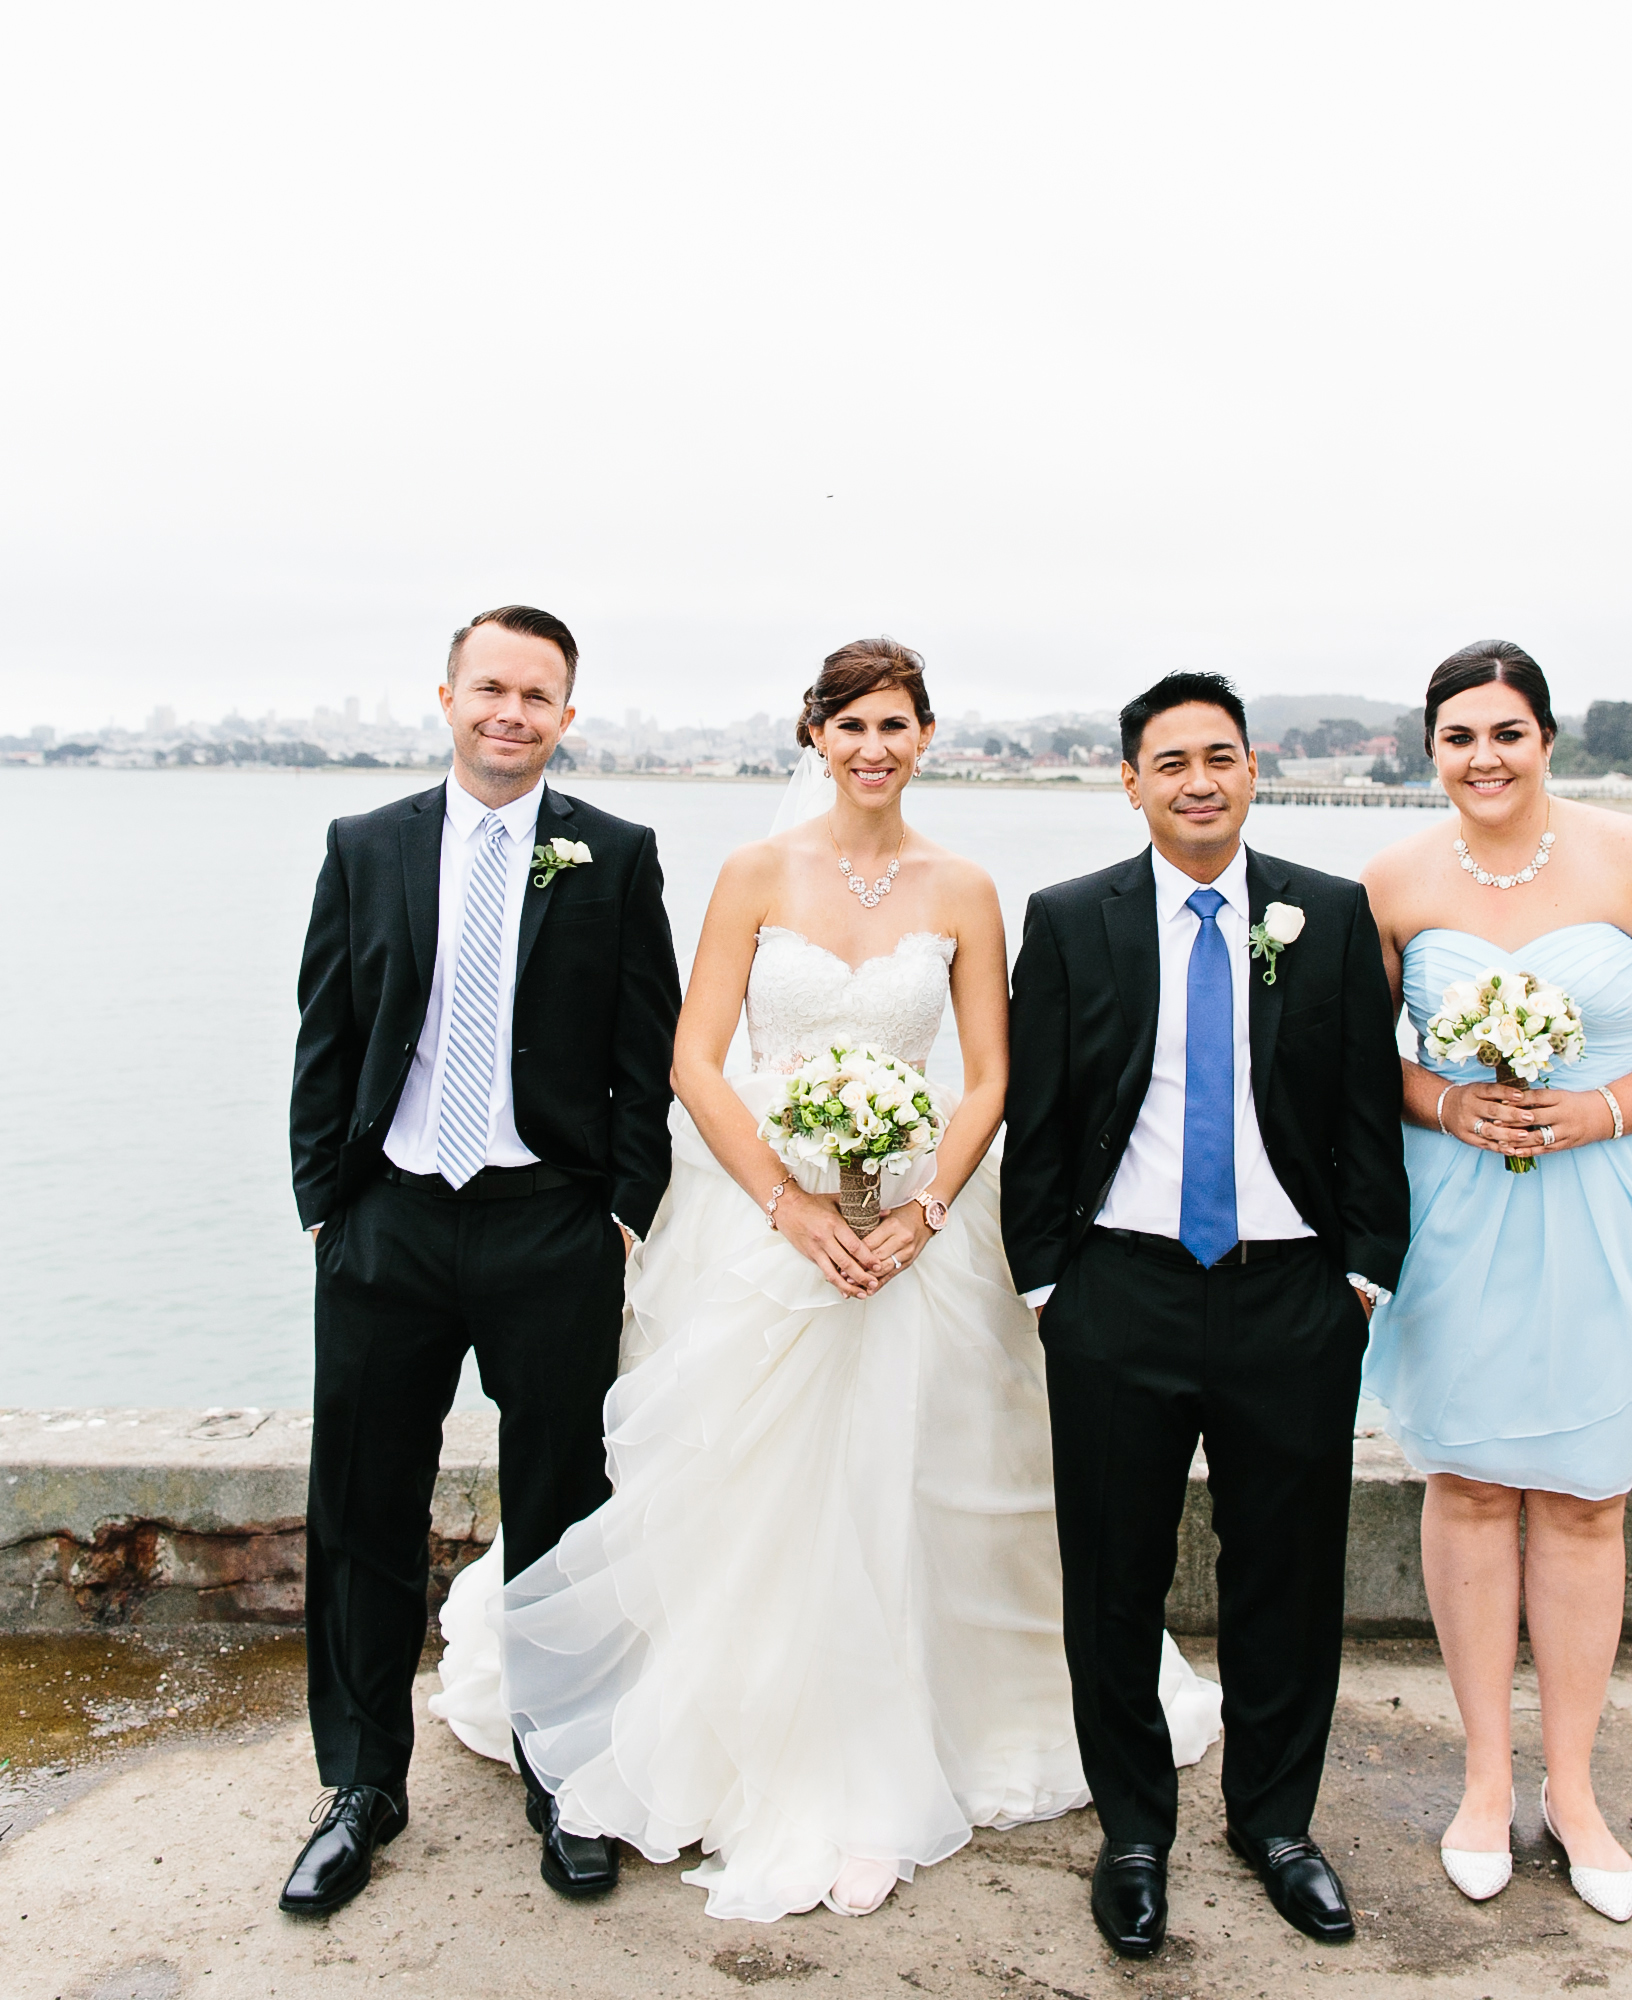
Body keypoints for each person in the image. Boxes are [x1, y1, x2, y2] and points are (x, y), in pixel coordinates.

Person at [431, 638, 1220, 1923]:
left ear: (924, 738)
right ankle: (754, 1742)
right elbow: (695, 1062)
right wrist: (793, 1206)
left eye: (895, 723)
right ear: (814, 735)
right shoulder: (753, 875)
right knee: (756, 1486)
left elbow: (990, 1081)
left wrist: (920, 1210)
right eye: (850, 723)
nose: (872, 746)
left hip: (923, 1237)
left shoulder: (963, 887)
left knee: (915, 1485)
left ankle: (897, 1756)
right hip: (767, 1228)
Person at [1002, 670, 1409, 1961]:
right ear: (1131, 782)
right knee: (1111, 1578)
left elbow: (1362, 1112)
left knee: (1287, 1577)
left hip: (1294, 1292)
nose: (1196, 779)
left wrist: (1362, 1276)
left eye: (1218, 756)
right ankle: (1134, 1834)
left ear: (1251, 768)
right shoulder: (1071, 920)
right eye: (1168, 760)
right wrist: (1051, 1283)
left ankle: (1277, 1826)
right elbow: (1044, 1116)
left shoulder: (1330, 915)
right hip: (1121, 1291)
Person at [1361, 639, 1632, 1924]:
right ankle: (1486, 1779)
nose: (1483, 759)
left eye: (1507, 734)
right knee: (1471, 1485)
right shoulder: (1392, 880)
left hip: (1613, 1203)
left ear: (1547, 740)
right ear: (1430, 750)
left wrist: (1598, 1109)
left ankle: (1575, 1788)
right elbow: (1347, 1065)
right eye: (1458, 738)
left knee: (1589, 1497)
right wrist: (1444, 1100)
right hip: (1460, 1214)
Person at [282, 605, 680, 1917]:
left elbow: (646, 1054)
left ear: (568, 716)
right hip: (390, 1220)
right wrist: (325, 1211)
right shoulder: (367, 845)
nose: (511, 712)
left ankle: (565, 1780)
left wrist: (620, 1213)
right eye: (490, 689)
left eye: (538, 696)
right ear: (447, 698)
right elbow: (328, 1034)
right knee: (363, 1504)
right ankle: (361, 1788)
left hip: (547, 1224)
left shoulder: (614, 857)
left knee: (563, 1507)